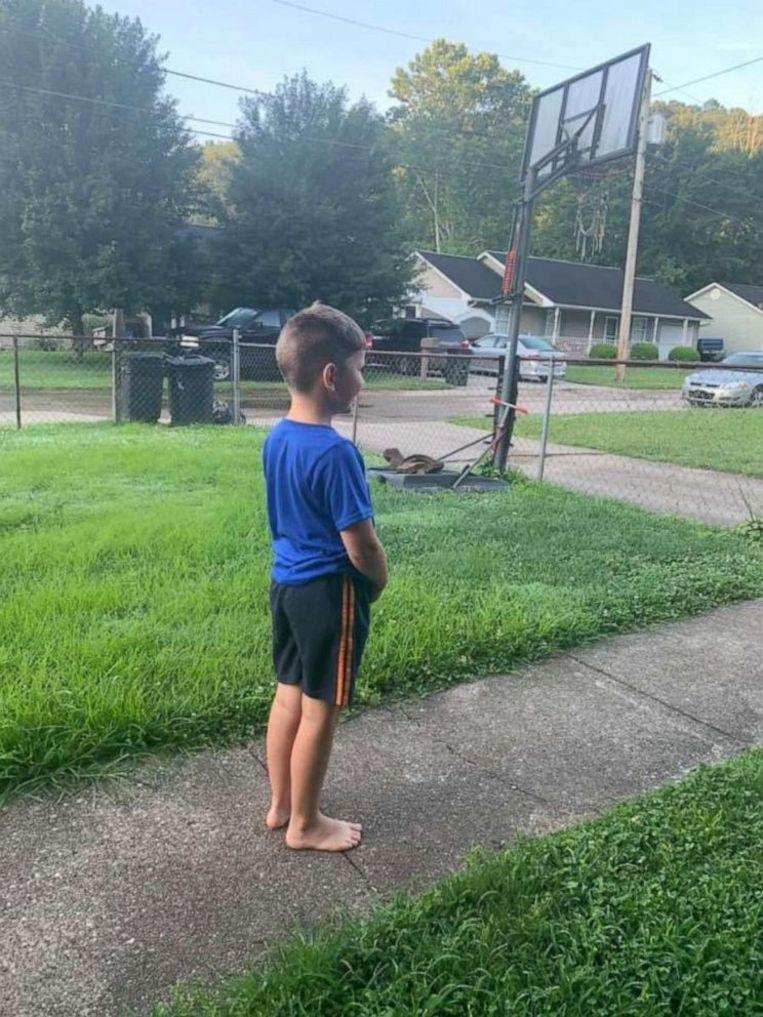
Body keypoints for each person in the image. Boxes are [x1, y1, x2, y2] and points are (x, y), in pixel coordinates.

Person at [262, 304, 388, 852]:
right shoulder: (338, 454)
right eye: (360, 368)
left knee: (288, 697)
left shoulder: (277, 437)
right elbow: (359, 542)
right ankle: (307, 824)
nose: (363, 379)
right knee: (321, 709)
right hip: (327, 592)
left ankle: (281, 805)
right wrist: (377, 582)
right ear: (332, 376)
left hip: (286, 587)